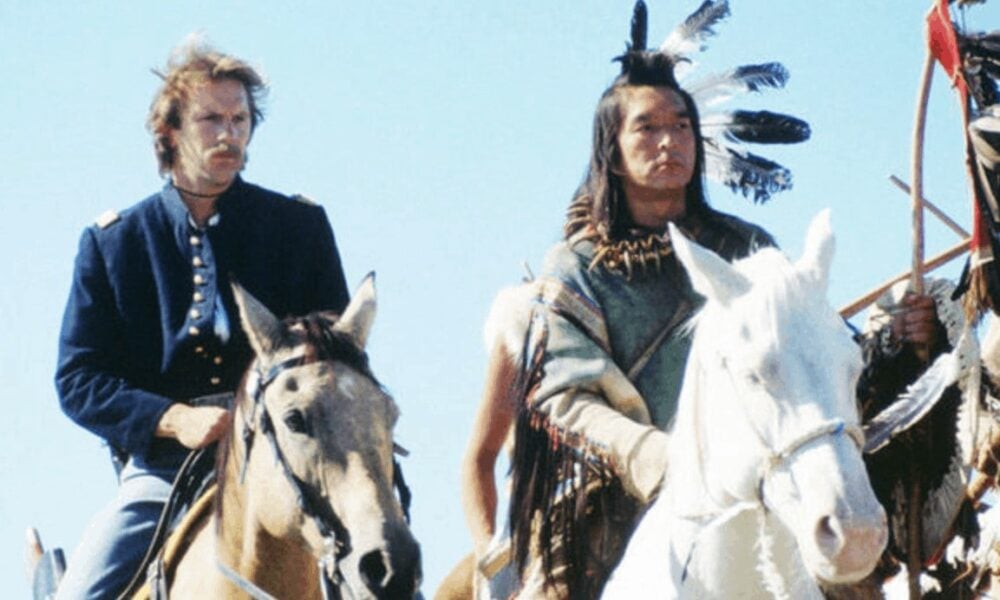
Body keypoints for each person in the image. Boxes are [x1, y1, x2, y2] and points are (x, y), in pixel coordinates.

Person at [460, 2, 942, 599]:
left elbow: (808, 363)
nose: (670, 142)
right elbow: (566, 400)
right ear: (612, 150)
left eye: (682, 126)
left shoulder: (748, 249)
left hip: (764, 474)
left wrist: (895, 342)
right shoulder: (575, 269)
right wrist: (657, 458)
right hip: (614, 495)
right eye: (647, 128)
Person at [53, 39, 349, 599]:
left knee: (391, 570)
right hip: (165, 474)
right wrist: (172, 419)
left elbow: (337, 357)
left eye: (240, 120)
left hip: (294, 462)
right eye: (211, 119)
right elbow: (79, 379)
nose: (228, 134)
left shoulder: (298, 228)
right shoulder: (115, 243)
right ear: (169, 132)